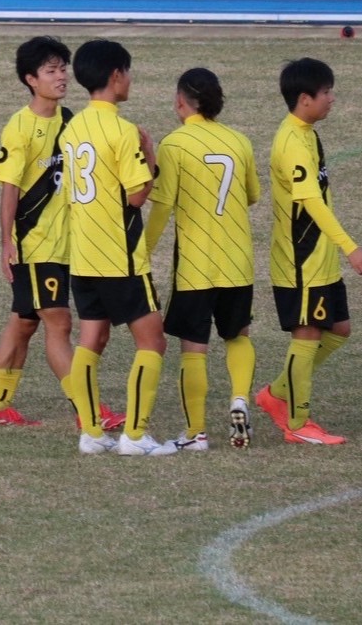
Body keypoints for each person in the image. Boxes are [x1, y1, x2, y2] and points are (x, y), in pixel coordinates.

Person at [0, 35, 125, 431]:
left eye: (63, 68)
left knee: (23, 322)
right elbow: (9, 188)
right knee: (59, 323)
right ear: (31, 79)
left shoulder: (72, 123)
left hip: (69, 247)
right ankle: (88, 410)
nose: (61, 77)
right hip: (36, 246)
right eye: (51, 71)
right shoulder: (20, 127)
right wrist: (7, 242)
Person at [60, 39, 176, 456]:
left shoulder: (71, 128)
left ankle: (91, 432)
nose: (130, 79)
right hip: (120, 258)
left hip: (84, 255)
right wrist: (151, 157)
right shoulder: (123, 131)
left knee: (92, 339)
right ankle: (136, 435)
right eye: (127, 72)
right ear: (115, 76)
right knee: (153, 342)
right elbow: (136, 196)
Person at [255, 58, 362, 445]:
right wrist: (352, 248)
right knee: (306, 335)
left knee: (339, 330)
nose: (332, 99)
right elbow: (311, 203)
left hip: (319, 258)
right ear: (305, 98)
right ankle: (297, 424)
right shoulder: (292, 142)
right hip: (301, 258)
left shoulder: (307, 132)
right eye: (326, 93)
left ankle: (276, 394)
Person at [145, 68, 261, 452]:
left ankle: (195, 433)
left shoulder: (175, 145)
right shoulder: (239, 141)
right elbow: (251, 195)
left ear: (181, 102)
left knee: (194, 346)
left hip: (196, 265)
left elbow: (161, 208)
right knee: (238, 335)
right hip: (238, 260)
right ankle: (240, 397)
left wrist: (141, 252)